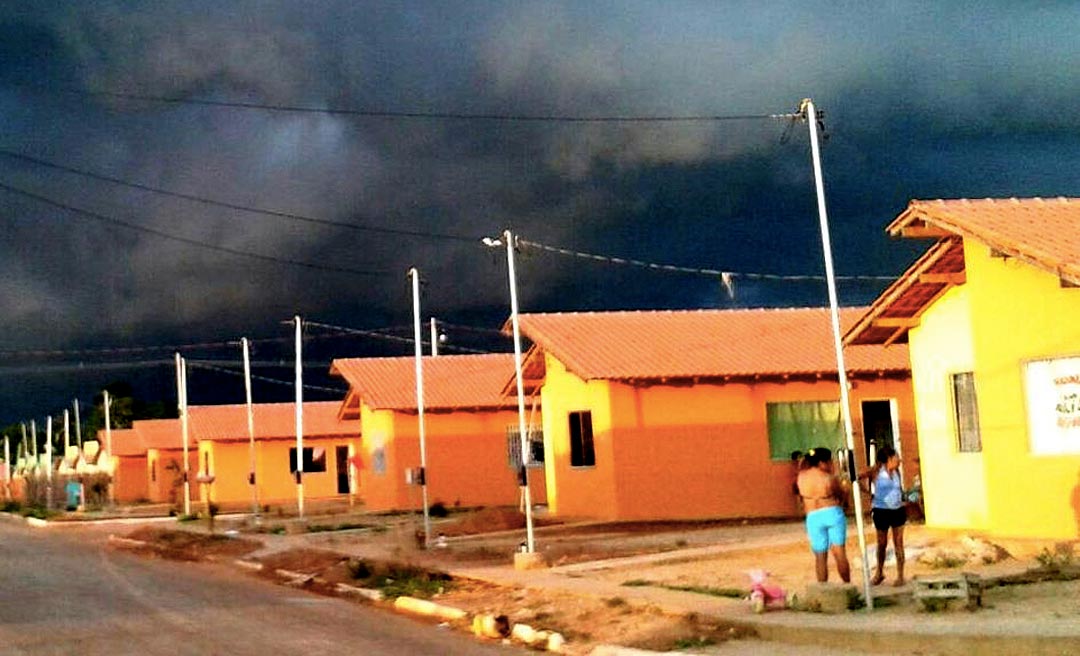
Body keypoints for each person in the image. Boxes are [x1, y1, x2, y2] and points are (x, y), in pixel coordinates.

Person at [796, 447, 851, 583]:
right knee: (839, 553)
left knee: (820, 556)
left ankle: (822, 587)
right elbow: (840, 495)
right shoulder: (828, 478)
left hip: (813, 516)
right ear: (822, 462)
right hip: (831, 512)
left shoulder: (801, 477)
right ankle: (847, 584)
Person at [859, 445, 906, 586]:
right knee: (882, 543)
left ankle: (900, 575)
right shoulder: (876, 471)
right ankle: (879, 572)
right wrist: (868, 493)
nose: (899, 460)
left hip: (897, 509)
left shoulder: (897, 471)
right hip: (881, 510)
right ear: (889, 459)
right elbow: (858, 477)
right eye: (896, 457)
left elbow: (899, 488)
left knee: (898, 543)